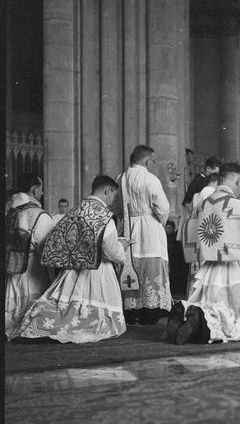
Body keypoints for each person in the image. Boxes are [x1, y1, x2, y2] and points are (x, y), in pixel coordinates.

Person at [14, 176, 128, 343]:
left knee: (65, 306)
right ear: (106, 191)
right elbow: (109, 247)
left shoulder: (75, 210)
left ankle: (41, 323)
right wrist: (121, 248)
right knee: (107, 324)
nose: (113, 199)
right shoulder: (104, 215)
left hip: (72, 272)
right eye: (113, 195)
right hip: (98, 273)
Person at [172, 162, 240, 344]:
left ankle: (185, 314)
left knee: (210, 304)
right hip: (239, 270)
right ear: (239, 182)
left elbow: (191, 235)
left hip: (210, 270)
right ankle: (202, 326)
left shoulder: (200, 207)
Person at [117, 144, 172, 325]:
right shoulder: (150, 179)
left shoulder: (121, 179)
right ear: (147, 160)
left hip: (128, 226)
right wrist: (159, 223)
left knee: (131, 265)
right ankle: (151, 311)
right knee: (151, 265)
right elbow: (163, 208)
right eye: (152, 160)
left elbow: (116, 207)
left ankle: (131, 311)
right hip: (149, 228)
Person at [5, 173, 53, 339]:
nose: (42, 194)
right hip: (33, 271)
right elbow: (47, 251)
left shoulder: (9, 211)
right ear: (33, 190)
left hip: (11, 269)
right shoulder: (40, 215)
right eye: (41, 190)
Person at [181, 172, 219, 295]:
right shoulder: (210, 193)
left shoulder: (197, 194)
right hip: (207, 236)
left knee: (196, 273)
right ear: (217, 182)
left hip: (197, 235)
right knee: (204, 273)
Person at [165, 220, 189, 298]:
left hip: (176, 262)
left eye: (169, 228)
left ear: (173, 229)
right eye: (166, 228)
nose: (167, 230)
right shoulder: (165, 237)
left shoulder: (176, 238)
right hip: (169, 261)